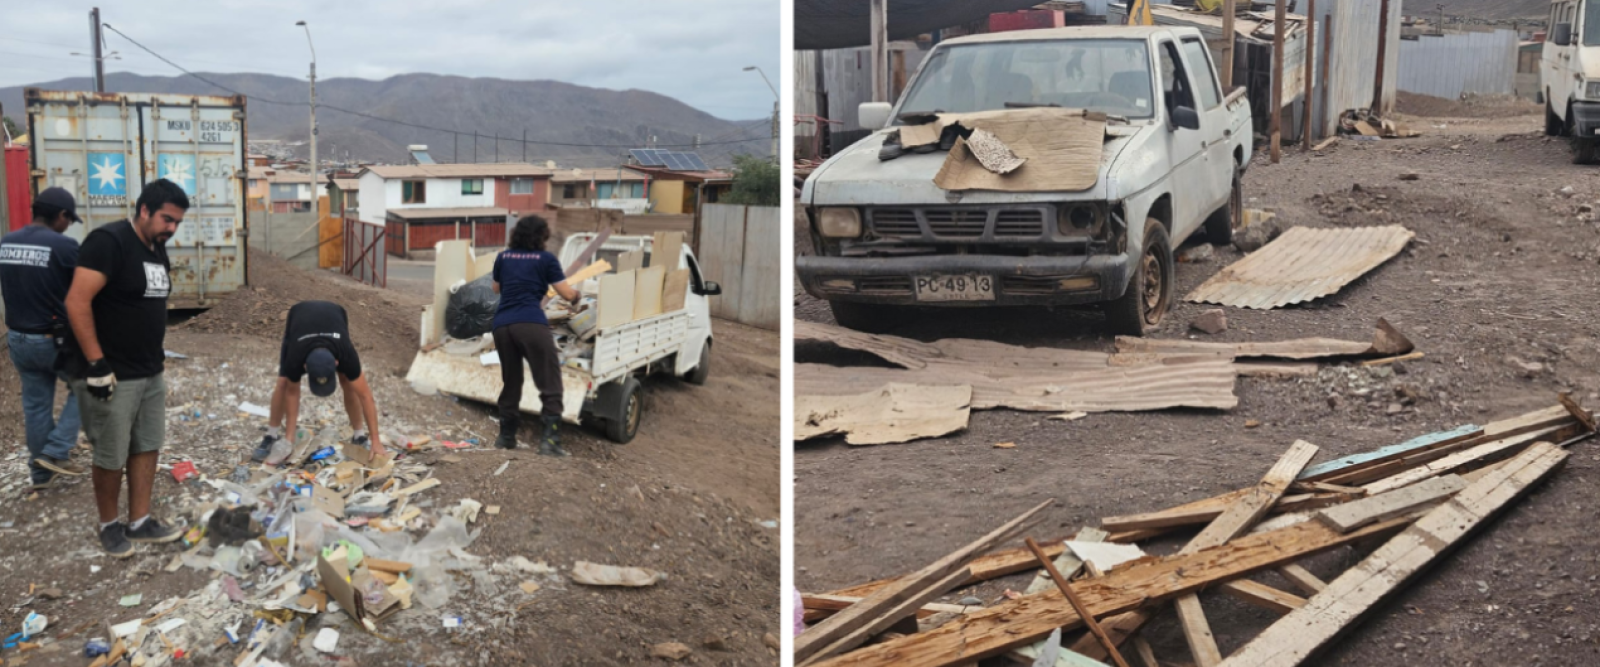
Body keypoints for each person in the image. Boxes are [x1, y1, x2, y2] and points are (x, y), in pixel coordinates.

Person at [64, 179, 188, 557]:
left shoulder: (156, 249)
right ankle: (108, 525)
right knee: (111, 453)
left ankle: (139, 522)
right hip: (112, 373)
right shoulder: (109, 242)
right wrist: (96, 363)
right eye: (167, 219)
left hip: (150, 370)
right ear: (144, 210)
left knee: (147, 445)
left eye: (178, 223)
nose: (172, 228)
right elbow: (76, 302)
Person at [0, 187, 86, 490]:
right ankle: (57, 449)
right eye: (69, 219)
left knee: (36, 405)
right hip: (52, 340)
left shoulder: (6, 242)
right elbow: (86, 288)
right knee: (87, 386)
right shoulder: (64, 246)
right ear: (61, 215)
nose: (69, 225)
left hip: (18, 339)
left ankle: (40, 475)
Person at [253, 300, 385, 464]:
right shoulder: (295, 357)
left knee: (348, 381)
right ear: (305, 367)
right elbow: (292, 392)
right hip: (299, 318)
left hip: (336, 315)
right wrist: (289, 440)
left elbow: (366, 396)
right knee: (283, 383)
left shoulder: (345, 353)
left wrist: (376, 440)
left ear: (336, 363)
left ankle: (359, 436)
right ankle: (271, 435)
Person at [491, 215, 579, 456]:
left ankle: (506, 438)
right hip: (530, 323)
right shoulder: (546, 259)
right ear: (541, 237)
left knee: (512, 381)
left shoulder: (504, 257)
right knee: (549, 381)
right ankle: (549, 442)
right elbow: (566, 293)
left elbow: (495, 288)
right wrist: (576, 295)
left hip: (502, 326)